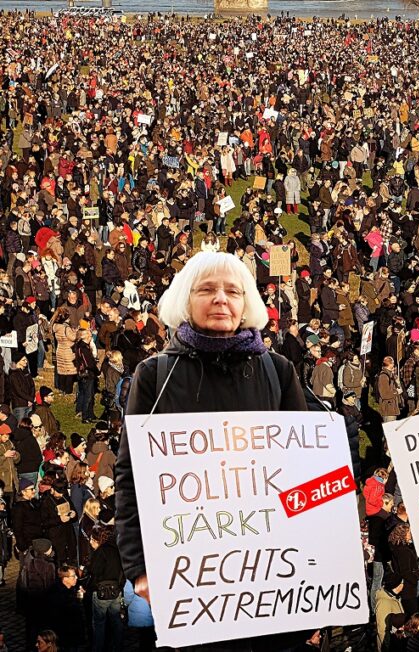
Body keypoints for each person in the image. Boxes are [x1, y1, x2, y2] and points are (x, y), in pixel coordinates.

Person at [114, 252, 310, 651]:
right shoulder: (153, 376)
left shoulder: (279, 371)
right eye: (207, 289)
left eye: (233, 291)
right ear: (186, 300)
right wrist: (139, 568)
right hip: (191, 583)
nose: (221, 299)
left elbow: (305, 471)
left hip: (270, 580)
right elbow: (130, 476)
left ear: (246, 304)